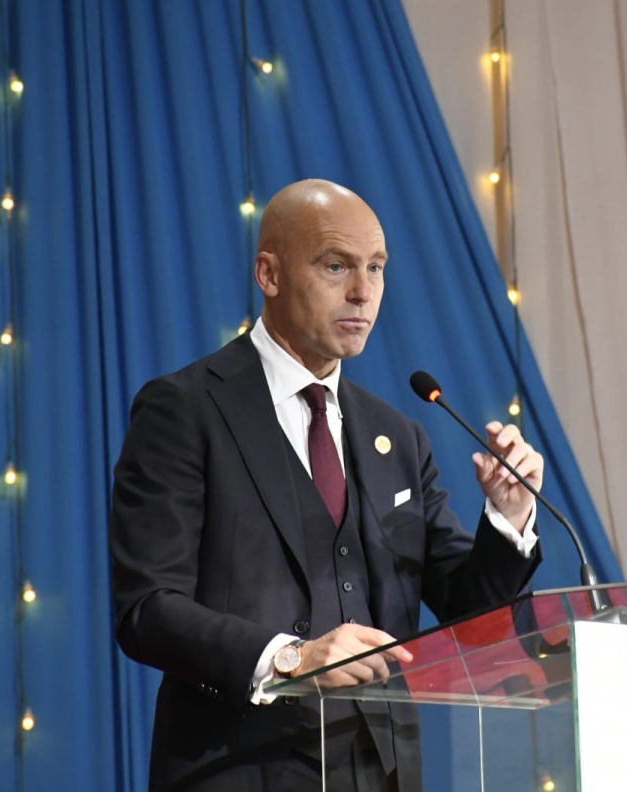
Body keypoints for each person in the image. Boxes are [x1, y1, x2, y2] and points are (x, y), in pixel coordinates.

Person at [110, 179, 544, 791]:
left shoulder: (398, 435)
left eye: (376, 268)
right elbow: (148, 610)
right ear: (269, 274)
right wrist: (292, 658)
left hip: (380, 774)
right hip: (239, 771)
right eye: (336, 265)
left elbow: (469, 615)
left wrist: (508, 518)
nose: (363, 291)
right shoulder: (184, 410)